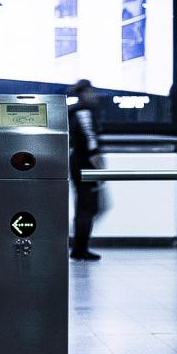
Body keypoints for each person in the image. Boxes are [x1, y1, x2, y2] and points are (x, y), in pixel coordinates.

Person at [67, 79, 104, 261]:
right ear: (83, 93)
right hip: (85, 163)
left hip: (78, 161)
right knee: (87, 207)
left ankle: (79, 247)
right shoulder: (84, 112)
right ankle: (80, 248)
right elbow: (90, 141)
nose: (94, 94)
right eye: (91, 91)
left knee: (84, 206)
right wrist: (99, 167)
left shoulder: (76, 111)